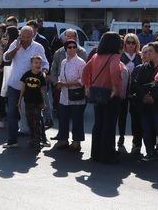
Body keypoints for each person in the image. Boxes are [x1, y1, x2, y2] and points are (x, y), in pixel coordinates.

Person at [1, 25, 50, 148]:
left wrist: (43, 72)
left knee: (37, 113)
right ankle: (12, 140)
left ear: (33, 35)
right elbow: (5, 58)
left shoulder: (38, 47)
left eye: (28, 37)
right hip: (15, 84)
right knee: (12, 112)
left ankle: (42, 139)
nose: (26, 39)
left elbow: (45, 63)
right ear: (20, 35)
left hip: (31, 86)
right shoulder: (15, 43)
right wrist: (16, 49)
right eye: (23, 36)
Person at [82, 32, 123, 163]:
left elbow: (85, 71)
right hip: (110, 93)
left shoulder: (95, 56)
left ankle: (96, 153)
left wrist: (88, 86)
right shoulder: (114, 56)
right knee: (109, 125)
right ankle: (107, 154)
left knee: (98, 123)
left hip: (96, 92)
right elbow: (114, 71)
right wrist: (116, 88)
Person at [133, 42, 158, 162]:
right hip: (145, 104)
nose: (147, 53)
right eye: (146, 51)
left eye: (150, 51)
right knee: (146, 128)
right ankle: (149, 152)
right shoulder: (145, 67)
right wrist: (144, 95)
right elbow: (136, 83)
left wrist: (154, 96)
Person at [54, 38, 87, 151]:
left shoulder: (81, 62)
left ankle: (76, 142)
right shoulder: (63, 62)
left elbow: (82, 80)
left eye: (74, 47)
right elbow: (60, 75)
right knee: (63, 118)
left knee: (77, 119)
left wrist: (66, 84)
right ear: (66, 49)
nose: (72, 49)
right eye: (69, 47)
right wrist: (59, 82)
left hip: (76, 95)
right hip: (64, 96)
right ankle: (63, 140)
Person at [118, 33, 143, 153]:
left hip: (136, 90)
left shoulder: (140, 56)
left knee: (136, 116)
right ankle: (121, 137)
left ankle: (136, 142)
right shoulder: (120, 56)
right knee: (121, 115)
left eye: (133, 43)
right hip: (123, 90)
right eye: (128, 42)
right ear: (125, 44)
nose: (131, 45)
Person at [18, 55, 47, 152]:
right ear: (31, 64)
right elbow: (23, 89)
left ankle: (37, 141)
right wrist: (19, 101)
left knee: (37, 122)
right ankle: (32, 138)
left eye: (39, 63)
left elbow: (43, 91)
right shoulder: (26, 75)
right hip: (28, 102)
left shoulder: (41, 77)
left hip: (37, 102)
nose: (38, 65)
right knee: (30, 121)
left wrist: (44, 102)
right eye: (35, 63)